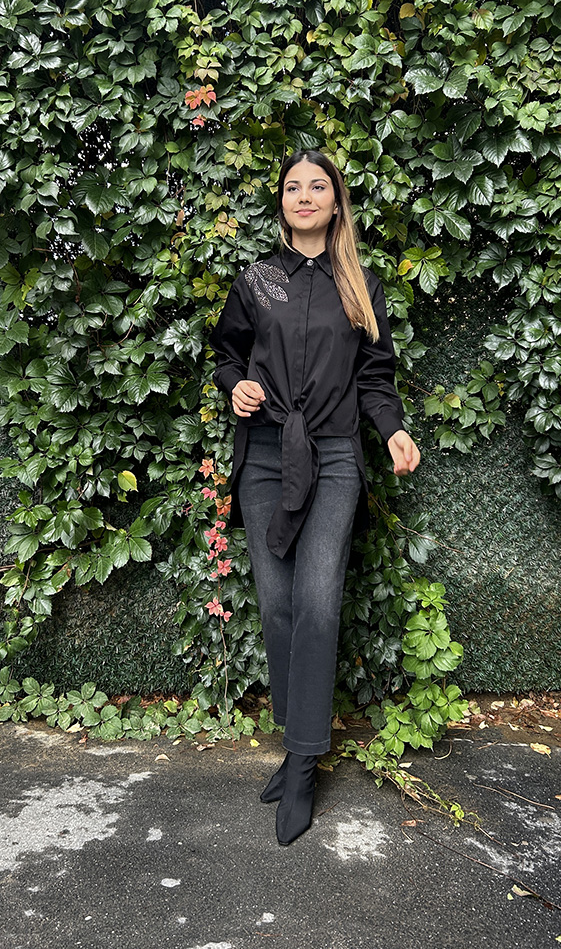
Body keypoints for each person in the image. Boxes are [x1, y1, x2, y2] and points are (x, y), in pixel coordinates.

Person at [209, 148, 420, 846]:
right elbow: (227, 355)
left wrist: (392, 431)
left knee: (318, 600)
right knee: (276, 604)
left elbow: (375, 377)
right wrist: (236, 386)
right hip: (265, 457)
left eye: (318, 186)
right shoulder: (256, 280)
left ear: (335, 202)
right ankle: (296, 740)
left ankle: (302, 765)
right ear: (282, 202)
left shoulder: (359, 284)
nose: (305, 195)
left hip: (331, 458)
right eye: (293, 186)